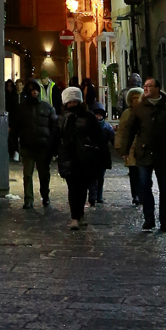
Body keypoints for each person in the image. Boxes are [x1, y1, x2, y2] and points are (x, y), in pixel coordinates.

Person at [132, 76, 166, 232]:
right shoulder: (140, 109)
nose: (146, 88)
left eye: (149, 86)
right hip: (144, 153)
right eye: (145, 86)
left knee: (164, 188)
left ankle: (164, 219)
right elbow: (130, 129)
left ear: (157, 89)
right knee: (144, 186)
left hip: (163, 154)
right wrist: (124, 148)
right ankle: (149, 218)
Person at [57, 84, 107, 229]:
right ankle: (75, 217)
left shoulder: (89, 117)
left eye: (74, 101)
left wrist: (103, 157)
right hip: (68, 158)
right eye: (69, 101)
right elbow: (55, 137)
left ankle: (80, 215)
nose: (72, 104)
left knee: (83, 187)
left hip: (86, 157)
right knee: (73, 188)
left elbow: (99, 137)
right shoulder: (62, 119)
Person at [18, 79, 58, 210]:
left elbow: (54, 126)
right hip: (27, 146)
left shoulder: (46, 107)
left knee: (44, 174)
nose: (34, 92)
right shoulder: (22, 108)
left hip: (42, 147)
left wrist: (52, 145)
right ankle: (28, 199)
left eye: (36, 90)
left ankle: (45, 195)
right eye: (32, 90)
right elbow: (17, 126)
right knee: (27, 175)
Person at [113, 84, 145, 205]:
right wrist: (120, 147)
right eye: (134, 98)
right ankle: (135, 195)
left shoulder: (146, 112)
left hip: (143, 147)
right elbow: (121, 130)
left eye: (138, 97)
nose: (136, 100)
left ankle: (143, 194)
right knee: (133, 173)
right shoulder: (127, 113)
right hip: (131, 147)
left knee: (144, 173)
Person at [88, 101, 115, 208]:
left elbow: (113, 140)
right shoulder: (94, 126)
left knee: (100, 177)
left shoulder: (107, 127)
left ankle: (97, 196)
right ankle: (94, 196)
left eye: (100, 114)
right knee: (93, 177)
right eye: (96, 114)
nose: (98, 116)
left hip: (102, 155)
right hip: (93, 154)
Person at [5, 78, 20, 162]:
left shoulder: (12, 96)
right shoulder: (10, 96)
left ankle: (13, 152)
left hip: (13, 118)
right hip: (10, 118)